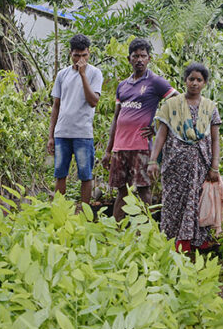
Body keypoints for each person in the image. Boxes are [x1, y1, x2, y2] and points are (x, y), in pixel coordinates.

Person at [148, 63, 221, 252]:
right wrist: (153, 161)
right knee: (173, 203)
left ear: (204, 83)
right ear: (185, 80)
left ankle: (194, 246)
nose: (194, 83)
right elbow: (161, 135)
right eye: (191, 79)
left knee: (197, 204)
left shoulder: (210, 108)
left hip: (201, 165)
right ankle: (171, 244)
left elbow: (215, 140)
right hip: (174, 165)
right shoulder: (171, 106)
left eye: (199, 80)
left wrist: (214, 166)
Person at [102, 38, 176, 220]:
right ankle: (118, 230)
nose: (139, 60)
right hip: (120, 147)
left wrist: (158, 126)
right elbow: (116, 118)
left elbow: (177, 101)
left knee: (143, 189)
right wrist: (108, 150)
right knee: (121, 191)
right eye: (136, 56)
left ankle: (146, 231)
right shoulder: (122, 86)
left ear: (149, 58)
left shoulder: (155, 82)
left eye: (143, 56)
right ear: (129, 59)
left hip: (141, 146)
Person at [48, 34, 104, 206]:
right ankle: (59, 211)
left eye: (84, 55)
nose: (81, 59)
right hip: (62, 133)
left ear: (89, 53)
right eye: (76, 55)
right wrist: (51, 136)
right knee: (60, 174)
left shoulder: (95, 73)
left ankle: (85, 214)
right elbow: (56, 106)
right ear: (70, 53)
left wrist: (83, 75)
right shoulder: (62, 75)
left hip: (83, 133)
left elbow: (93, 101)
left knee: (85, 175)